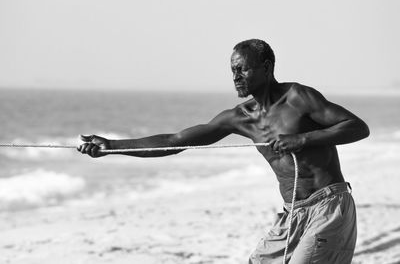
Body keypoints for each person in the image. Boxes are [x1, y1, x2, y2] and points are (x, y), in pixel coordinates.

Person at [78, 39, 369, 263]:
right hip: (293, 214)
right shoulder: (239, 117)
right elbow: (176, 140)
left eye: (243, 68)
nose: (236, 76)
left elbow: (357, 127)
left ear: (266, 68)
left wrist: (302, 140)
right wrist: (111, 146)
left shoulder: (298, 97)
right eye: (233, 70)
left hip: (328, 206)